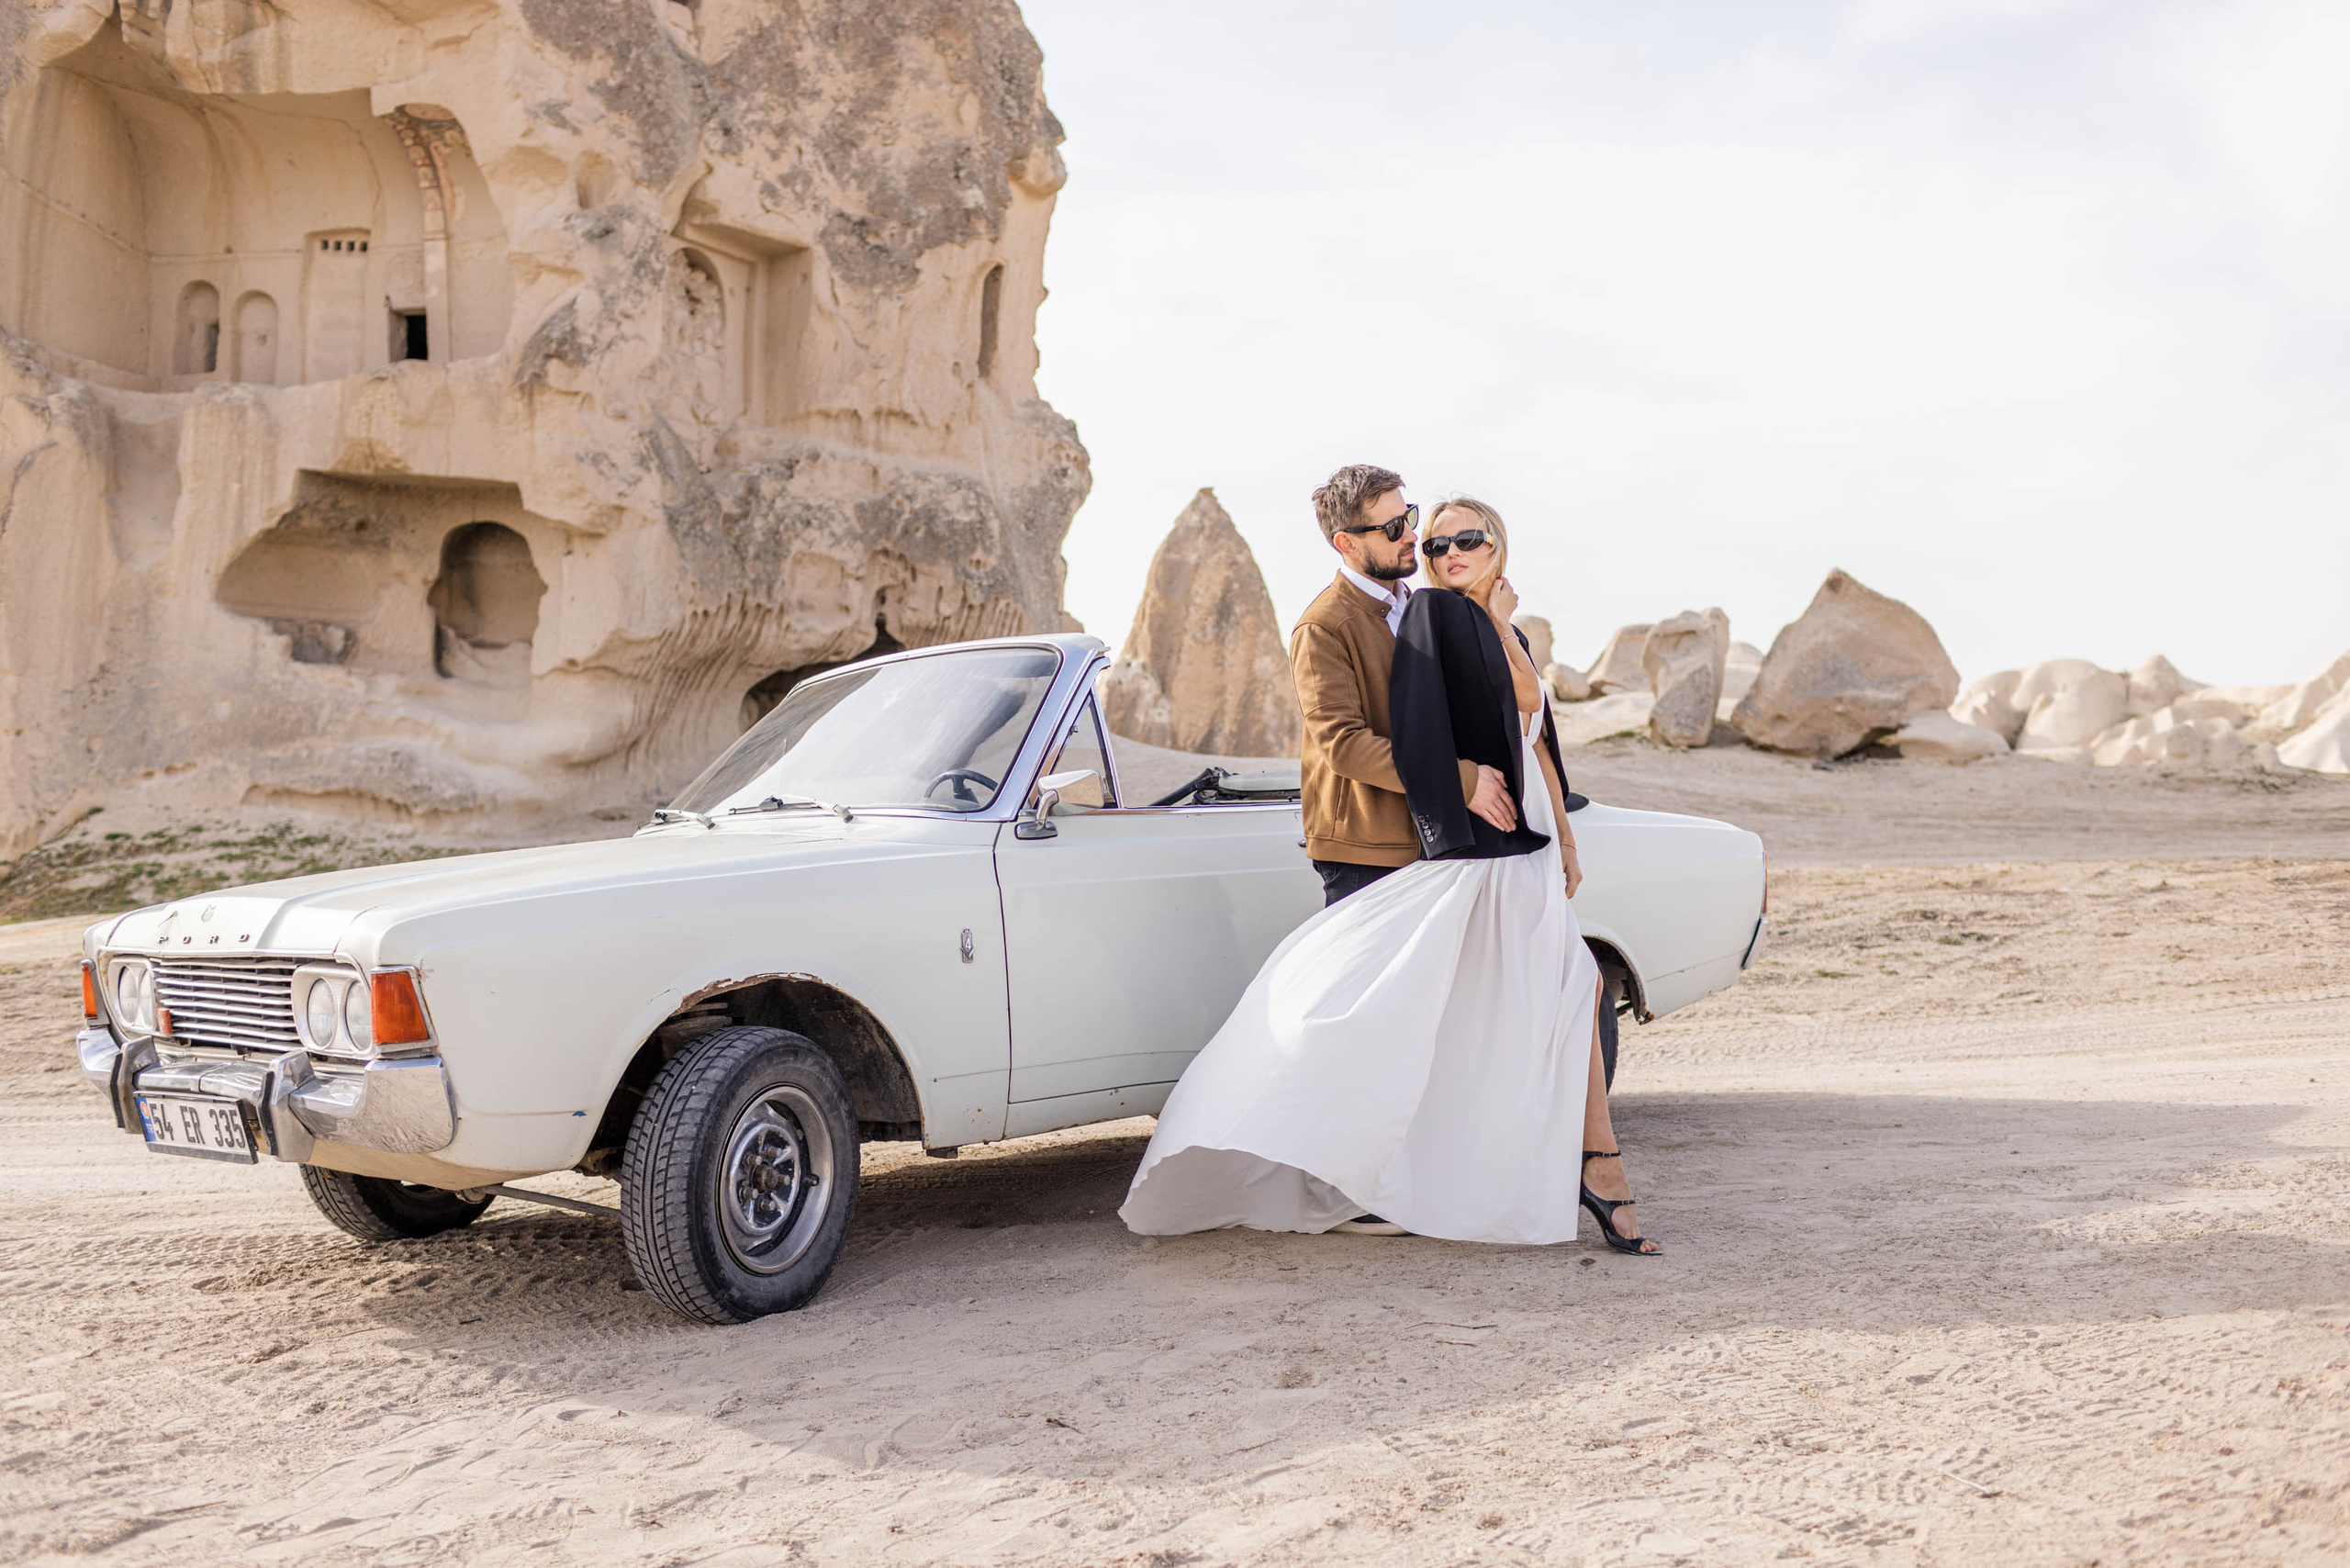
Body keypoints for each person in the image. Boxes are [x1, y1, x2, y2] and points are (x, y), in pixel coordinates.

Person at [1118, 488, 1660, 1255]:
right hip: (1404, 841)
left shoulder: (1440, 609)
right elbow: (1347, 741)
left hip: (1509, 841)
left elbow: (1535, 732)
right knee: (1377, 1018)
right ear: (1347, 541)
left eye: (1449, 535)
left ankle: (1516, 1169)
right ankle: (1362, 1168)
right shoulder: (1366, 620)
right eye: (1416, 535)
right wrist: (1464, 775)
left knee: (1531, 999)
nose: (1431, 547)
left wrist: (1565, 835)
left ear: (1498, 543)